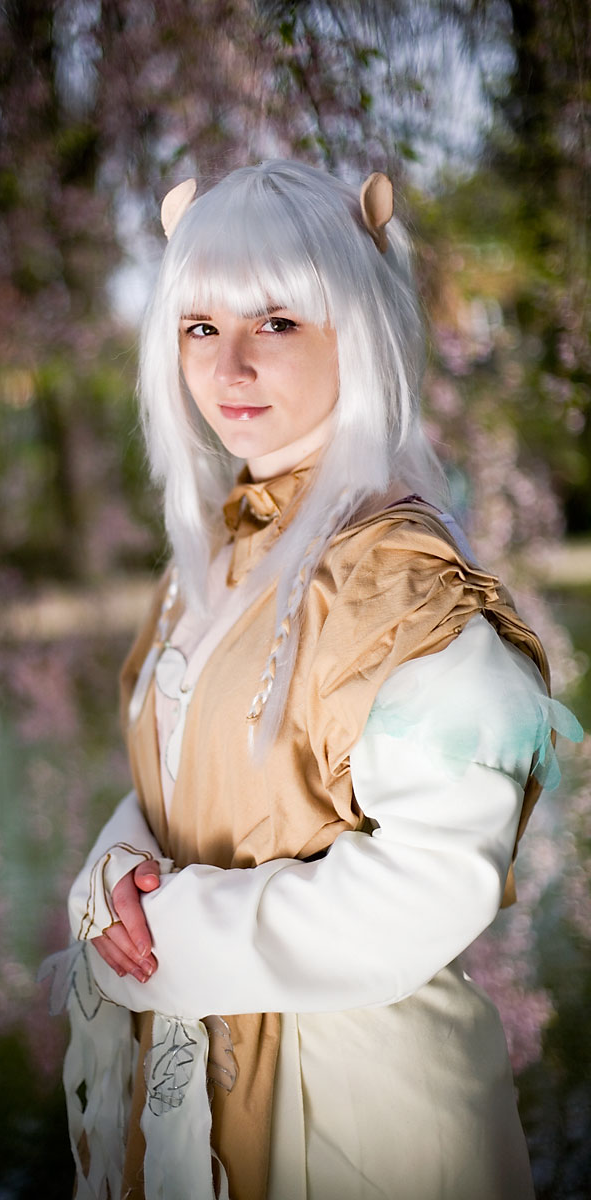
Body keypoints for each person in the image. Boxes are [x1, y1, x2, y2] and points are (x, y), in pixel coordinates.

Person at [39, 161, 581, 1200]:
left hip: (359, 1122)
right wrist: (117, 872)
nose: (229, 364)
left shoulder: (401, 584)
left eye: (277, 322)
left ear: (358, 328)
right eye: (200, 326)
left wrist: (172, 933)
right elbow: (177, 780)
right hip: (195, 1094)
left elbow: (431, 880)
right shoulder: (206, 562)